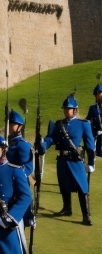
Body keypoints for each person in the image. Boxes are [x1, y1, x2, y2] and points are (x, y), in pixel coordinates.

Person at [39, 95, 95, 225]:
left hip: (75, 160)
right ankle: (67, 208)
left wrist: (91, 162)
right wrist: (43, 144)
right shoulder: (59, 124)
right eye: (65, 108)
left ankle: (86, 215)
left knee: (82, 187)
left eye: (68, 108)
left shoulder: (83, 124)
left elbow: (90, 146)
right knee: (63, 185)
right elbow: (50, 139)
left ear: (75, 110)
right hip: (62, 159)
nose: (66, 110)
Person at [7, 109, 35, 228]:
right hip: (7, 186)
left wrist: (13, 176)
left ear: (19, 127)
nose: (8, 126)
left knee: (19, 223)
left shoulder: (23, 145)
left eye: (11, 123)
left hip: (18, 185)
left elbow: (27, 168)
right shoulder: (7, 142)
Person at [86, 83, 102, 159]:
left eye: (97, 94)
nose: (96, 96)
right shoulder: (93, 108)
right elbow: (88, 121)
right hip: (96, 134)